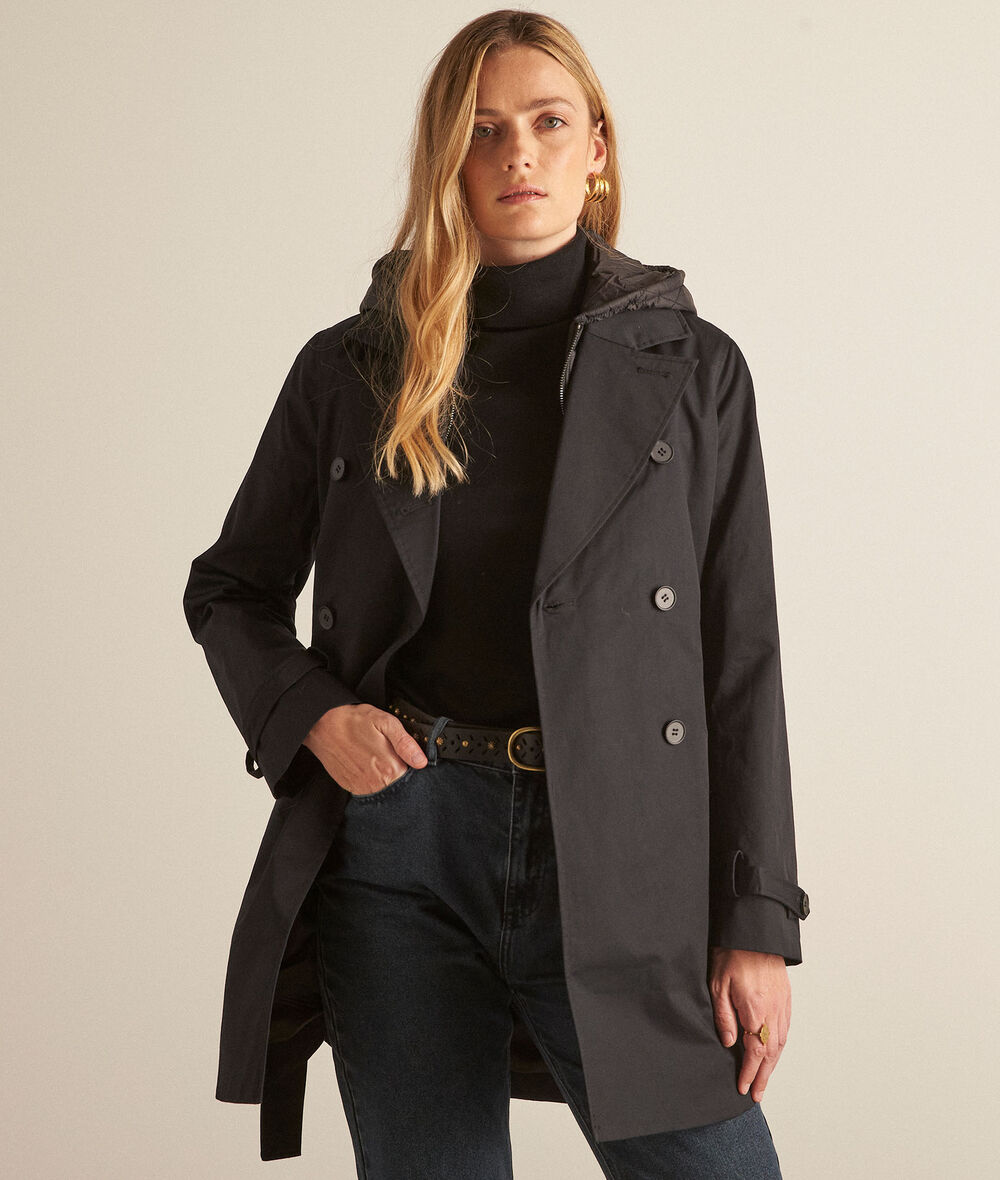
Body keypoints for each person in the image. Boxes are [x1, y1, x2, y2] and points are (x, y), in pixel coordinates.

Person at [182, 9, 810, 1177]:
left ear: (596, 147)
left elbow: (740, 656)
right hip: (400, 845)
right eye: (480, 131)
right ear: (447, 161)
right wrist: (314, 714)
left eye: (547, 122)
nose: (517, 153)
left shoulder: (694, 368)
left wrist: (755, 921)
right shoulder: (351, 369)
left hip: (616, 848)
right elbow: (230, 589)